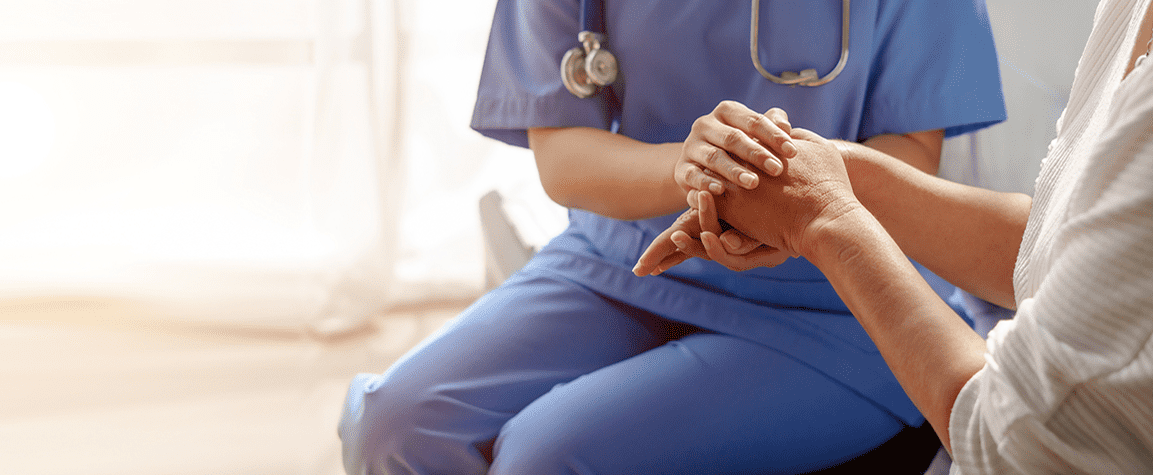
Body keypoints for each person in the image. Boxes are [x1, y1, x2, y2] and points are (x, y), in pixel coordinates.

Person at [337, 0, 1006, 473]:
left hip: (834, 301)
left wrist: (774, 195)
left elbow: (908, 155)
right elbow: (563, 154)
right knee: (395, 426)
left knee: (545, 457)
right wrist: (696, 169)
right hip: (621, 260)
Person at [639, 0, 1153, 472]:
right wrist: (828, 173)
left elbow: (1024, 449)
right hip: (638, 280)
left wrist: (824, 219)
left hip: (856, 341)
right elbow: (1077, 253)